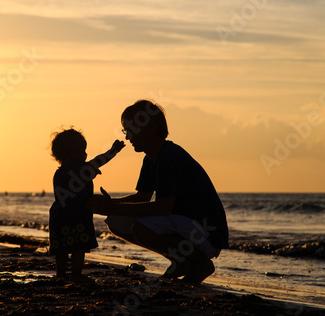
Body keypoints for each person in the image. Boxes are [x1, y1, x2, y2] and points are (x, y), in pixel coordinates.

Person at [87, 100, 229, 284]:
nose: (128, 137)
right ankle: (181, 262)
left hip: (207, 231)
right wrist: (110, 205)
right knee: (115, 221)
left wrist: (111, 207)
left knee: (140, 227)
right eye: (126, 131)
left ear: (151, 127)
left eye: (131, 130)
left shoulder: (168, 156)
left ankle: (200, 264)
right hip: (187, 224)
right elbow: (142, 198)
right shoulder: (151, 158)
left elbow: (163, 208)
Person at [49, 127, 125, 282]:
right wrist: (113, 151)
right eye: (83, 151)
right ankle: (76, 274)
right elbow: (100, 160)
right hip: (77, 215)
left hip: (57, 215)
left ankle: (61, 275)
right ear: (72, 152)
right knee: (78, 247)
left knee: (61, 249)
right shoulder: (80, 169)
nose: (86, 154)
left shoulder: (59, 172)